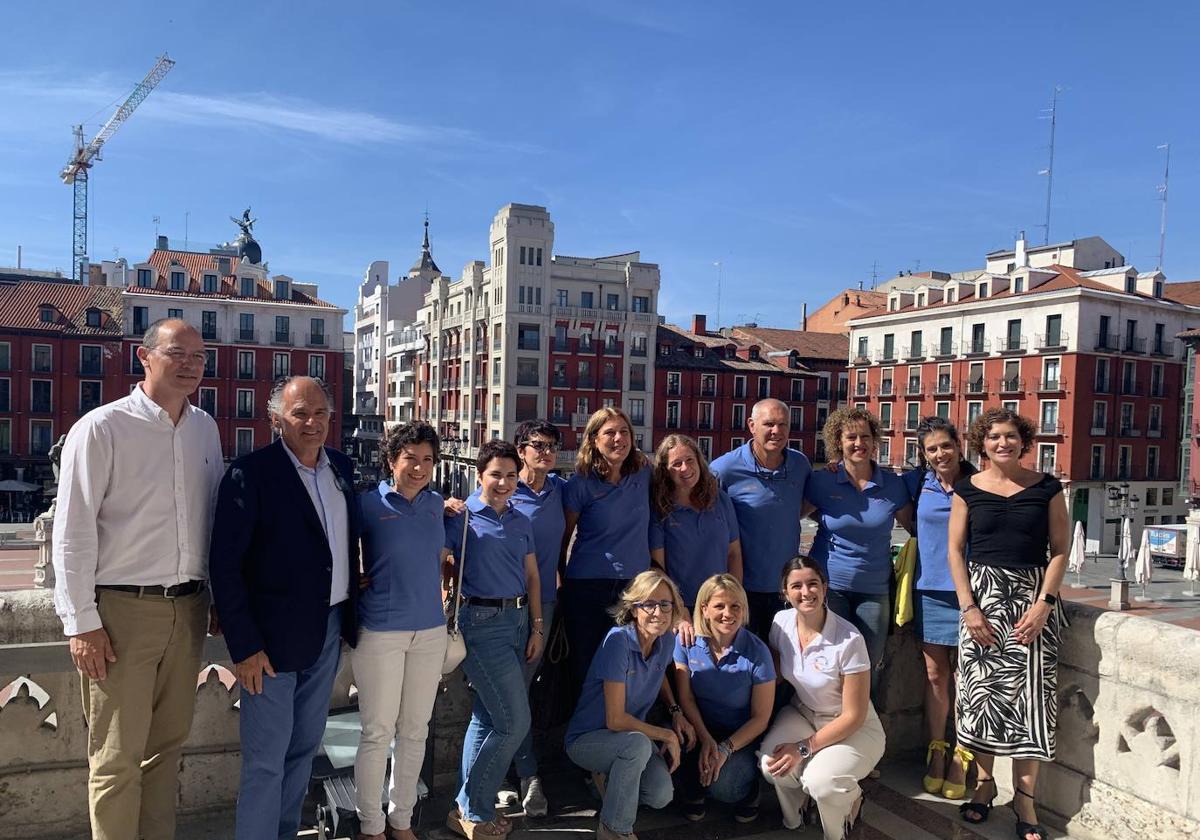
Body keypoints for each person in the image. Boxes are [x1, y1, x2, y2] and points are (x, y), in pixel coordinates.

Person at [51, 318, 224, 840]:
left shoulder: (205, 428)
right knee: (115, 757)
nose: (192, 365)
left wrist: (217, 597)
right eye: (179, 353)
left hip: (189, 607)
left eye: (200, 356)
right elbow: (72, 530)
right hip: (121, 612)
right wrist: (81, 622)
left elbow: (213, 517)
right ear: (144, 357)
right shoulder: (102, 427)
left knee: (166, 750)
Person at [209, 376, 361, 840]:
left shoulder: (341, 467)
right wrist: (245, 645)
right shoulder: (250, 473)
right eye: (300, 413)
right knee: (265, 761)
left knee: (302, 752)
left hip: (328, 628)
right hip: (269, 643)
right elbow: (225, 565)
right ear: (276, 419)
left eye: (320, 413)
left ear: (332, 418)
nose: (311, 422)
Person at [949, 408, 1069, 840]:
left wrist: (1044, 605)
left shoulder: (1047, 488)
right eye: (995, 437)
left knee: (1031, 703)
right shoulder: (967, 489)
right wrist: (969, 607)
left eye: (1011, 437)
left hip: (1031, 605)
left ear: (1024, 441)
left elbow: (1059, 549)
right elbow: (955, 551)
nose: (1003, 443)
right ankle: (983, 787)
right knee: (982, 699)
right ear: (982, 443)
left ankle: (1025, 800)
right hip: (981, 602)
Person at [352, 422, 449, 840]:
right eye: (410, 458)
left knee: (415, 731)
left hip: (430, 631)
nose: (419, 467)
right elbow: (340, 551)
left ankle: (401, 821)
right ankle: (371, 826)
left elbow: (441, 555)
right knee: (377, 733)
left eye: (427, 460)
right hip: (381, 632)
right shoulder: (366, 504)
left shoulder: (437, 505)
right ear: (392, 460)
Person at [445, 440, 543, 839]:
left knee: (486, 717)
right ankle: (476, 809)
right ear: (479, 475)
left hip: (518, 620)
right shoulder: (462, 516)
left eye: (510, 475)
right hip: (481, 622)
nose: (503, 482)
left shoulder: (521, 520)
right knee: (514, 721)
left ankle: (463, 807)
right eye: (495, 474)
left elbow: (533, 576)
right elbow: (437, 560)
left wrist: (537, 626)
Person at [760, 557, 886, 840]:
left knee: (823, 783)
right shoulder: (781, 623)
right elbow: (774, 671)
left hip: (853, 725)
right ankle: (798, 812)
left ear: (825, 587)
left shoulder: (849, 639)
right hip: (804, 712)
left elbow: (853, 715)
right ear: (785, 592)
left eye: (813, 584)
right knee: (772, 763)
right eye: (797, 586)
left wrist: (802, 749)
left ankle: (845, 811)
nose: (806, 592)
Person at [564, 570, 694, 840]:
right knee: (635, 745)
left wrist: (675, 711)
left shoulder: (665, 639)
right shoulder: (618, 641)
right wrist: (666, 734)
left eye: (665, 604)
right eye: (649, 604)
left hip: (630, 741)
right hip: (589, 739)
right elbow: (615, 720)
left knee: (660, 795)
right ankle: (614, 830)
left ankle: (609, 779)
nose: (658, 612)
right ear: (634, 610)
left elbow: (657, 674)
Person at [803, 408, 912, 691]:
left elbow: (917, 529)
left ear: (875, 441)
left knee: (869, 662)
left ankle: (864, 729)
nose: (858, 443)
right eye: (851, 437)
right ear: (838, 442)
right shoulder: (822, 481)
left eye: (865, 436)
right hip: (829, 587)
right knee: (828, 661)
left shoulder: (894, 485)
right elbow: (789, 515)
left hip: (874, 590)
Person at [497, 420, 568, 817]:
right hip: (503, 606)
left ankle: (513, 776)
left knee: (519, 690)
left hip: (547, 606)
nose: (546, 451)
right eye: (538, 445)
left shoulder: (562, 490)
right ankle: (524, 774)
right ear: (520, 449)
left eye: (552, 445)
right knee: (509, 692)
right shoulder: (506, 488)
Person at [904, 417, 976, 800]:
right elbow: (879, 492)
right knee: (935, 675)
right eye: (932, 449)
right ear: (924, 454)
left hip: (972, 594)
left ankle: (962, 754)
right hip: (929, 589)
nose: (940, 454)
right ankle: (937, 750)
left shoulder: (979, 482)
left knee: (967, 678)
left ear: (958, 444)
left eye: (945, 445)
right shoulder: (918, 483)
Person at [560, 407, 653, 688]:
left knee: (628, 664)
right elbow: (563, 537)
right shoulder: (580, 484)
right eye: (609, 432)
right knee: (585, 663)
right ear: (593, 440)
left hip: (634, 586)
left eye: (624, 432)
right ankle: (584, 728)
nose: (618, 438)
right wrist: (561, 583)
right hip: (588, 586)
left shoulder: (644, 474)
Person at [672, 574, 774, 823]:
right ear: (704, 609)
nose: (728, 613)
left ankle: (749, 792)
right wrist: (706, 739)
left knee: (725, 787)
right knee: (672, 758)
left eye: (735, 606)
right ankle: (695, 787)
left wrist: (724, 749)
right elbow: (686, 698)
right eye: (719, 606)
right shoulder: (687, 643)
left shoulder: (757, 652)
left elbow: (761, 718)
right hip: (701, 728)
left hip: (740, 736)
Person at [711, 399, 811, 642]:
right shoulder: (724, 469)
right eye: (769, 424)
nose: (776, 431)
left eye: (782, 424)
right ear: (751, 425)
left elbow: (810, 502)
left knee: (787, 666)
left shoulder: (800, 464)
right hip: (743, 590)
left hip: (788, 589)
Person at [649, 434, 742, 618]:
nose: (685, 468)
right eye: (676, 464)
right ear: (665, 470)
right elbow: (658, 567)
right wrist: (678, 608)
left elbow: (734, 554)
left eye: (690, 460)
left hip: (720, 605)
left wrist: (734, 599)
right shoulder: (659, 509)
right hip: (682, 607)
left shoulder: (720, 499)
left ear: (699, 461)